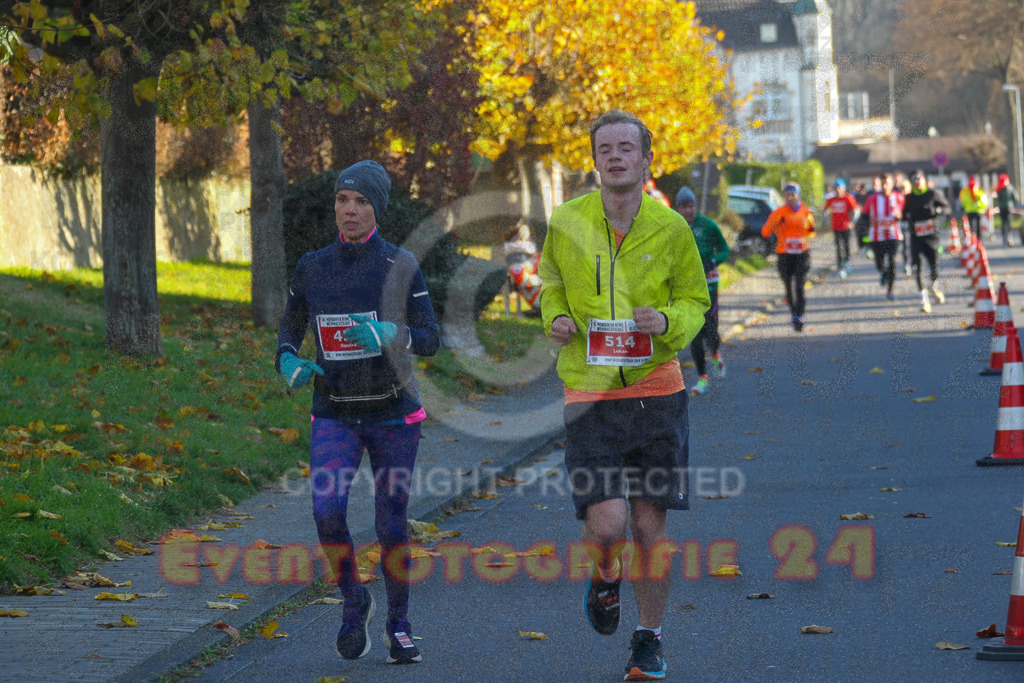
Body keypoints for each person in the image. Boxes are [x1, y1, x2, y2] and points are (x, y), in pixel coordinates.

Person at [538, 110, 709, 681]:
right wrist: (557, 317)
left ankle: (649, 639)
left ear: (645, 159)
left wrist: (666, 319)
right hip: (589, 394)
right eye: (605, 148)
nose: (615, 156)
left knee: (648, 527)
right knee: (607, 525)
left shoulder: (672, 229)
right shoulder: (567, 220)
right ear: (594, 160)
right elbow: (552, 285)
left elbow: (695, 301)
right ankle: (605, 577)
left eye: (626, 148)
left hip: (656, 393)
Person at [275, 160, 440, 665]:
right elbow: (289, 329)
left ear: (377, 210)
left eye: (361, 202)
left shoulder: (400, 264)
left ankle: (399, 626)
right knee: (326, 514)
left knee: (391, 525)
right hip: (334, 412)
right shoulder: (313, 265)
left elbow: (432, 338)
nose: (349, 210)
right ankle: (353, 600)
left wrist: (396, 336)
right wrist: (287, 361)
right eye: (343, 200)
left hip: (393, 415)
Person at [674, 186, 730, 396]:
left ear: (696, 206)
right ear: (678, 208)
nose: (688, 211)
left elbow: (725, 249)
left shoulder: (707, 225)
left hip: (710, 286)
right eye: (684, 207)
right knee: (695, 334)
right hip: (687, 289)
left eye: (691, 206)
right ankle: (702, 378)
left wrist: (714, 261)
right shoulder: (674, 227)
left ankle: (715, 352)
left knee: (711, 330)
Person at [761, 183, 816, 331]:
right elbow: (765, 232)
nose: (790, 197)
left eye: (793, 194)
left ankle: (799, 314)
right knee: (788, 286)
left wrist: (805, 239)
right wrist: (774, 223)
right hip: (784, 254)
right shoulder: (779, 212)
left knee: (799, 284)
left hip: (802, 253)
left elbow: (812, 231)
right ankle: (793, 312)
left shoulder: (806, 212)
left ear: (798, 195)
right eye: (787, 195)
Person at [903, 169, 950, 312]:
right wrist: (905, 219)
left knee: (933, 264)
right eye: (913, 180)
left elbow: (947, 208)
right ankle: (924, 300)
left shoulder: (932, 194)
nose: (916, 182)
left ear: (924, 180)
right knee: (918, 267)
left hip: (932, 235)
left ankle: (934, 286)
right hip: (916, 236)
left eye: (918, 178)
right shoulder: (909, 197)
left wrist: (938, 211)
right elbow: (904, 214)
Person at [864, 173, 904, 301]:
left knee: (892, 260)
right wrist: (869, 222)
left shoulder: (899, 197)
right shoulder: (872, 198)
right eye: (882, 183)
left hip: (893, 234)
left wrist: (900, 216)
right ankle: (883, 272)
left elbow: (905, 213)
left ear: (892, 184)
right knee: (879, 263)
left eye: (887, 183)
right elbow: (864, 215)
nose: (885, 186)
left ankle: (890, 290)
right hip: (877, 234)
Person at [823, 179, 859, 277]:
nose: (838, 190)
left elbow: (856, 211)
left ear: (843, 188)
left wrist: (852, 222)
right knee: (838, 247)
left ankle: (847, 262)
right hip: (836, 227)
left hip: (846, 227)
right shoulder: (831, 200)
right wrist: (825, 223)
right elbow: (825, 212)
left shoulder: (848, 198)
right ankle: (840, 267)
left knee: (846, 246)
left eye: (839, 188)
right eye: (836, 188)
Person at [960, 175, 988, 241]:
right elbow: (985, 202)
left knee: (971, 226)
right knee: (978, 226)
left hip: (969, 212)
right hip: (978, 212)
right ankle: (978, 239)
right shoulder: (980, 193)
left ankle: (972, 239)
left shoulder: (967, 194)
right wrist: (979, 206)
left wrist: (964, 208)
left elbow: (963, 203)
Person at [995, 173, 1020, 246]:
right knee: (1008, 222)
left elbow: (997, 199)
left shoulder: (999, 188)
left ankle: (1004, 238)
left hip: (1002, 208)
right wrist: (1015, 204)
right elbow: (1016, 197)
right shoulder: (1010, 188)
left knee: (1003, 223)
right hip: (1009, 207)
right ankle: (1009, 236)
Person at [853, 180, 873, 259]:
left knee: (867, 235)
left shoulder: (868, 197)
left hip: (867, 219)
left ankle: (868, 248)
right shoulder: (855, 197)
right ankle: (862, 248)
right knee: (859, 235)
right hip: (858, 220)